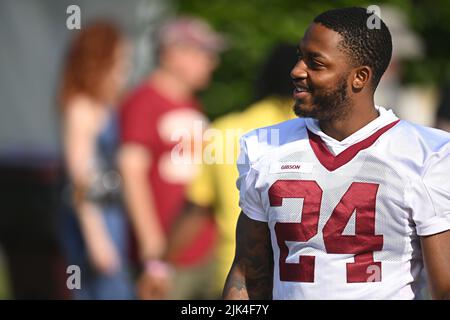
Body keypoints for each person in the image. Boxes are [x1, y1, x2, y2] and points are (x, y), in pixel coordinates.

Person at [223, 7, 450, 300]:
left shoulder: (428, 154)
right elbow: (247, 274)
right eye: (300, 55)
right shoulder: (265, 146)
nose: (296, 70)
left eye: (315, 63)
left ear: (359, 77)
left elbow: (444, 288)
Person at [162, 43, 298, 297]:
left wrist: (160, 265)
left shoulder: (225, 131)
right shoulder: (318, 135)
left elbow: (196, 209)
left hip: (236, 278)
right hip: (301, 280)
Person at [118, 16, 225, 299]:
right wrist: (153, 248)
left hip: (199, 249)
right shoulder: (144, 100)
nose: (211, 61)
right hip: (165, 253)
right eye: (203, 52)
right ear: (171, 54)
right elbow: (131, 171)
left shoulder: (191, 103)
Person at [58, 20, 134, 299]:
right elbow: (81, 180)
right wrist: (97, 240)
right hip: (95, 217)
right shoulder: (81, 108)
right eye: (120, 60)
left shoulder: (108, 104)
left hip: (113, 212)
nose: (124, 68)